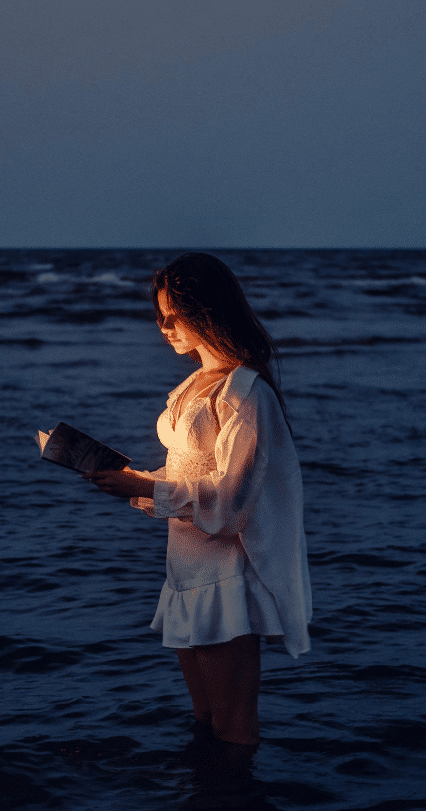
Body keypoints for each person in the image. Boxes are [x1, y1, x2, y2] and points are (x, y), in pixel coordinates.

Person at [81, 252, 312, 746]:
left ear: (206, 310)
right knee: (205, 718)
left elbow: (231, 499)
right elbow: (188, 473)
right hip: (185, 569)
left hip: (227, 573)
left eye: (172, 314)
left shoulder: (245, 393)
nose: (162, 326)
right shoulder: (190, 386)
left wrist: (144, 488)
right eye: (158, 315)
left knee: (233, 719)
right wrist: (131, 480)